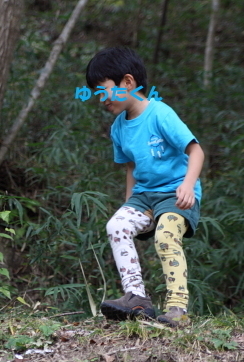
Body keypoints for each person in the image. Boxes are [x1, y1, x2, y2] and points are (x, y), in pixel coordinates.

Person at [85, 47, 204, 327]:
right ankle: (136, 298)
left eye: (104, 91)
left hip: (175, 194)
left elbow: (196, 151)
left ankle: (178, 308)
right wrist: (129, 205)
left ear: (127, 83)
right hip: (144, 197)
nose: (101, 99)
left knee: (165, 235)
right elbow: (131, 167)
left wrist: (188, 186)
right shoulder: (118, 128)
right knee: (116, 226)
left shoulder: (160, 114)